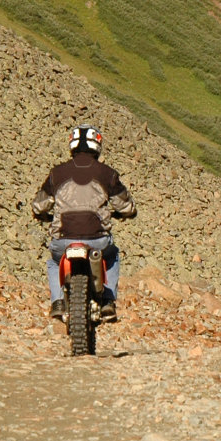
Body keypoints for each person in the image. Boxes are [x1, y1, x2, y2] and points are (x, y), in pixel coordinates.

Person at [31, 124, 136, 322]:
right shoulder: (108, 174)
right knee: (112, 256)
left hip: (63, 239)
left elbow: (38, 207)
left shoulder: (57, 173)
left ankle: (58, 302)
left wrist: (44, 216)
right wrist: (125, 213)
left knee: (54, 262)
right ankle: (107, 301)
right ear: (97, 145)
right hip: (97, 240)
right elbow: (126, 207)